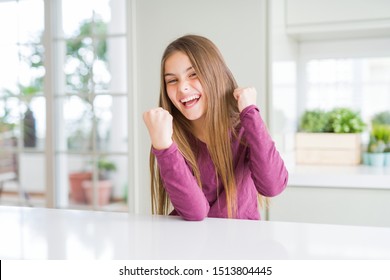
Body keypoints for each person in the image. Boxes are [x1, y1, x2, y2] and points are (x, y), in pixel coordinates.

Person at [143, 34, 288, 221]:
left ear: (214, 73)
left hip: (242, 243)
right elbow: (195, 212)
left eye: (193, 74)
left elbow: (273, 186)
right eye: (172, 80)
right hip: (190, 243)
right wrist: (163, 146)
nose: (182, 88)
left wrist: (251, 113)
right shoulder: (170, 137)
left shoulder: (244, 127)